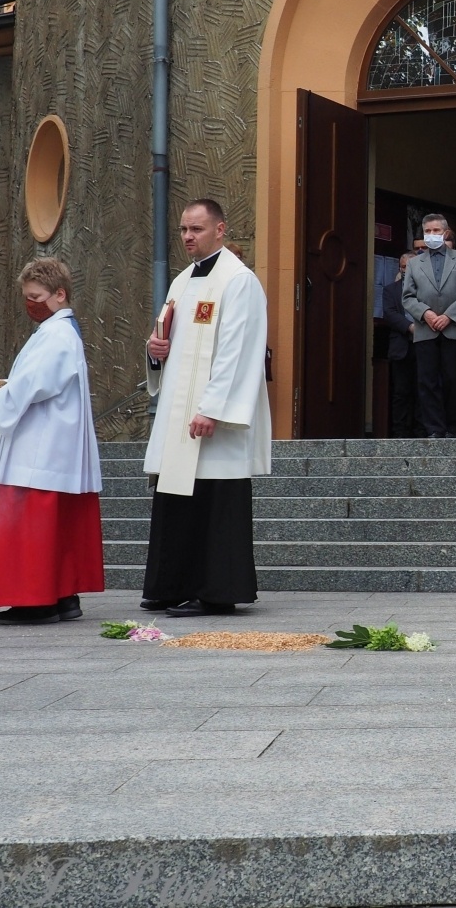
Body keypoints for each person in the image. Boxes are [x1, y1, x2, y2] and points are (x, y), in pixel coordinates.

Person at [142, 199, 271, 617]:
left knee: (214, 502)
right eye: (182, 230)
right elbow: (167, 340)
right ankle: (171, 584)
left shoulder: (239, 281)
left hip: (213, 419)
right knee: (178, 498)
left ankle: (215, 591)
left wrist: (212, 408)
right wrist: (155, 352)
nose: (187, 238)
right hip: (180, 413)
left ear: (220, 230)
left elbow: (238, 350)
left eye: (196, 230)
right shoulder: (181, 281)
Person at [0, 258, 103, 624]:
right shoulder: (58, 332)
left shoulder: (57, 335)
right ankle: (63, 597)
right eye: (26, 296)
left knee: (34, 527)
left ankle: (36, 601)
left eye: (36, 296)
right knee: (57, 528)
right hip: (51, 443)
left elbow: (36, 383)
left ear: (59, 294)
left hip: (42, 446)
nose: (30, 304)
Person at [402, 213, 456, 438]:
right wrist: (427, 314)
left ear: (445, 233)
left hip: (454, 329)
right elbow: (407, 297)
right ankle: (434, 428)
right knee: (427, 381)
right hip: (426, 330)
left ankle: (453, 429)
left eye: (436, 231)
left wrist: (449, 316)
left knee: (455, 380)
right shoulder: (414, 263)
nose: (432, 235)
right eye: (428, 231)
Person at [382, 253, 418, 437]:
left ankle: (421, 431)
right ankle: (400, 433)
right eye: (403, 267)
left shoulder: (425, 289)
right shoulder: (390, 290)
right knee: (400, 393)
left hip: (422, 347)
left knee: (422, 390)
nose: (405, 271)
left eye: (409, 267)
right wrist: (409, 327)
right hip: (401, 348)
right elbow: (389, 314)